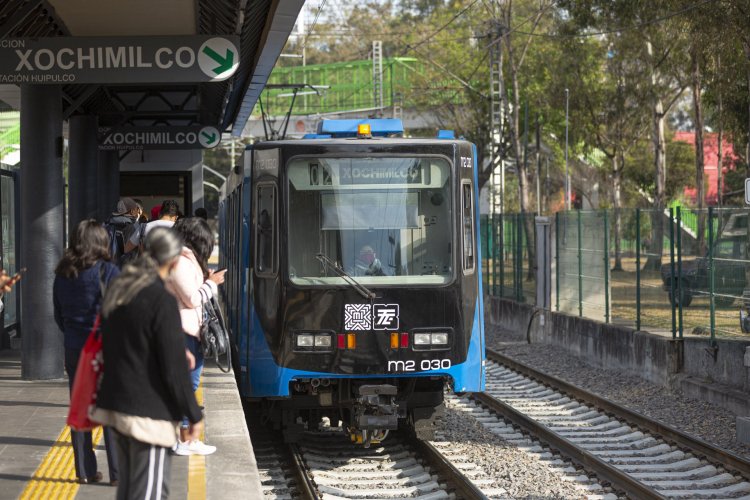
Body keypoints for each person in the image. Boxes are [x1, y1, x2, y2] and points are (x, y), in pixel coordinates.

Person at [92, 228, 203, 499]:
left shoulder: (120, 288)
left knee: (130, 491)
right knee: (150, 494)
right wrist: (194, 415)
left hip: (117, 406)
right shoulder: (160, 300)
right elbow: (174, 367)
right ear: (175, 261)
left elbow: (119, 343)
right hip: (148, 412)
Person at [53, 220, 120, 486]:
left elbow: (58, 313)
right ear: (101, 242)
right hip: (105, 347)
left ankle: (84, 470)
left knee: (80, 407)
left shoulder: (62, 273)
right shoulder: (108, 272)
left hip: (74, 348)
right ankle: (116, 473)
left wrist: (73, 332)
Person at [166, 217, 225, 456]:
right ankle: (184, 439)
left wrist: (205, 280)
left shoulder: (185, 260)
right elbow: (191, 299)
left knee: (188, 385)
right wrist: (211, 283)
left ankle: (186, 438)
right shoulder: (179, 261)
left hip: (189, 330)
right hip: (182, 332)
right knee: (187, 386)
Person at [105, 197, 143, 266]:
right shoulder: (134, 227)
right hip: (126, 270)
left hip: (109, 267)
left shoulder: (108, 225)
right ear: (132, 211)